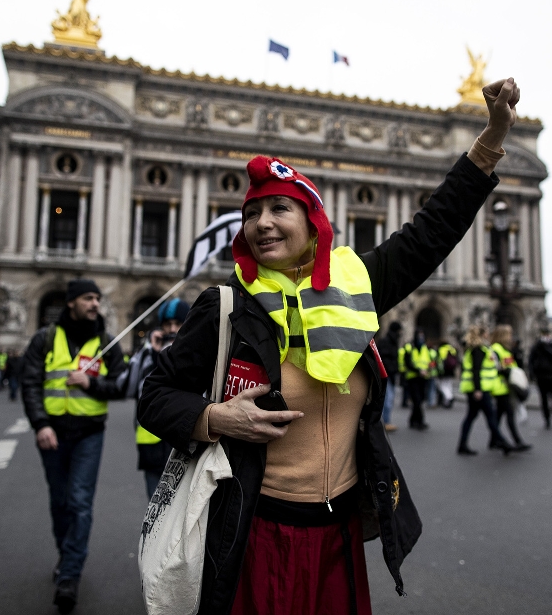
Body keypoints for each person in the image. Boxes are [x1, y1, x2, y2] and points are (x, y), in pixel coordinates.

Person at [140, 77, 520, 615]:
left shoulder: (356, 285)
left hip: (337, 535)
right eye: (252, 214)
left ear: (312, 222)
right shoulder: (226, 305)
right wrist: (218, 418)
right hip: (253, 531)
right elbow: (155, 396)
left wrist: (491, 139)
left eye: (279, 209)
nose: (262, 223)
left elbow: (433, 229)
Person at [21, 278, 126, 614]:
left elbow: (122, 387)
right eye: (87, 298)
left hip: (88, 433)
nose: (94, 303)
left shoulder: (108, 344)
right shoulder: (45, 339)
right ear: (71, 303)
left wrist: (90, 382)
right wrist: (41, 424)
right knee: (60, 502)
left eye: (97, 297)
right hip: (52, 433)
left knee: (79, 501)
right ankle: (66, 554)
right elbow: (31, 383)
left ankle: (69, 575)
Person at [121, 327, 174, 499]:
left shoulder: (193, 351)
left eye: (177, 323)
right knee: (154, 504)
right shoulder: (146, 355)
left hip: (180, 442)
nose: (172, 328)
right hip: (150, 442)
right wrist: (151, 352)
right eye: (168, 324)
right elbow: (128, 387)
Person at [457, 325, 512, 455]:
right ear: (482, 335)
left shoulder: (475, 349)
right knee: (490, 417)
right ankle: (503, 443)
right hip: (479, 389)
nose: (488, 334)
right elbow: (477, 370)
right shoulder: (479, 350)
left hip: (476, 388)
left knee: (471, 416)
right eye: (486, 332)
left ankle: (462, 445)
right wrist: (478, 390)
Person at [490, 324, 530, 451]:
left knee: (499, 415)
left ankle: (493, 440)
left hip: (507, 386)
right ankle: (517, 441)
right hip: (500, 386)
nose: (511, 337)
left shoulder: (506, 349)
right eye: (509, 334)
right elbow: (494, 368)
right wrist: (506, 372)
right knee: (509, 414)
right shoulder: (495, 349)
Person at [528, 328, 552, 429]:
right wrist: (532, 374)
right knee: (544, 399)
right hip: (541, 376)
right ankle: (547, 420)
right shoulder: (537, 347)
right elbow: (531, 360)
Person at [400, 328, 434, 430]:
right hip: (412, 378)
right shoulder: (409, 347)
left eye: (422, 335)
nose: (421, 337)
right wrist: (419, 370)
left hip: (423, 378)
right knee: (417, 400)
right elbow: (408, 363)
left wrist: (428, 369)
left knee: (420, 400)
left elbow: (429, 361)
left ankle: (412, 420)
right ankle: (420, 421)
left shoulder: (425, 348)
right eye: (419, 335)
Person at [375, 321, 403, 432]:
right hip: (386, 375)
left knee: (387, 398)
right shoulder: (388, 342)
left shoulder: (390, 341)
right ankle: (384, 422)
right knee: (388, 399)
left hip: (388, 374)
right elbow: (386, 359)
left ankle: (383, 422)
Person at [435, 341, 460, 409]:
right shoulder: (451, 348)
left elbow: (439, 361)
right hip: (451, 370)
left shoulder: (441, 349)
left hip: (443, 370)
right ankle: (448, 399)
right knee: (448, 384)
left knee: (442, 385)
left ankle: (449, 397)